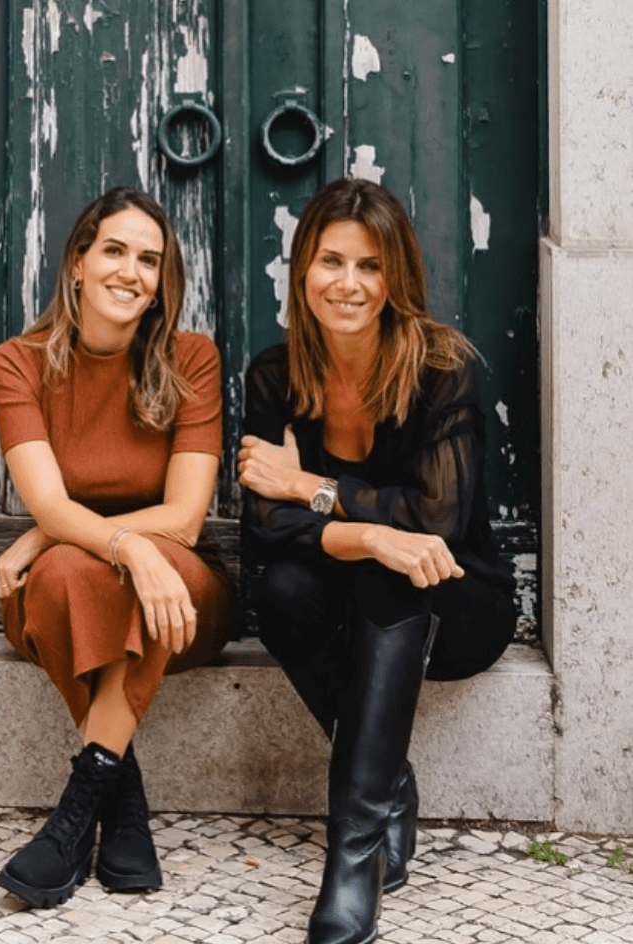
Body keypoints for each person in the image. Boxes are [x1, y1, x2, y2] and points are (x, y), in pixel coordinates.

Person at [238, 177, 516, 944]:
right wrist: (369, 532)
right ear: (303, 271)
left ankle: (351, 859)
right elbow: (263, 529)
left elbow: (437, 521)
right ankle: (386, 780)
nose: (348, 284)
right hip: (340, 591)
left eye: (369, 266)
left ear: (394, 277)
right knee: (283, 587)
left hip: (456, 602)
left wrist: (309, 488)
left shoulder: (440, 368)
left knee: (396, 575)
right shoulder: (275, 376)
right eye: (331, 262)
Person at [0, 187, 236, 909]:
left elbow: (186, 520)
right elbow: (50, 498)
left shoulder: (192, 359)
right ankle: (119, 805)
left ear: (163, 282)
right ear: (77, 263)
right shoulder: (17, 364)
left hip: (182, 595)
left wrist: (55, 534)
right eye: (116, 251)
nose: (132, 272)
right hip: (72, 590)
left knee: (98, 566)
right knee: (69, 573)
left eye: (150, 260)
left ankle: (69, 823)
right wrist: (120, 542)